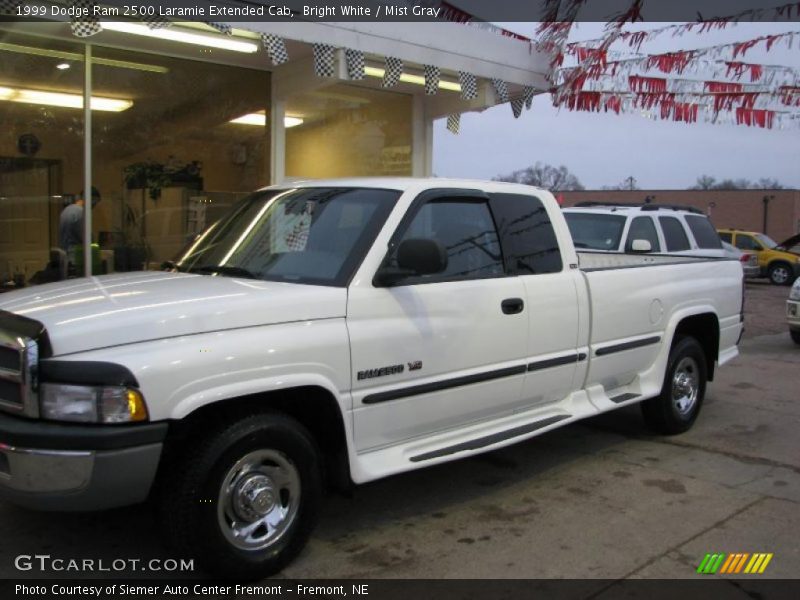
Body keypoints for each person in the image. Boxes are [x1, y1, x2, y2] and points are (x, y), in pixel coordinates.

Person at [59, 187, 100, 254]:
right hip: (76, 253)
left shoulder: (67, 210)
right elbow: (86, 237)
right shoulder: (81, 212)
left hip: (65, 251)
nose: (94, 206)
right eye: (95, 202)